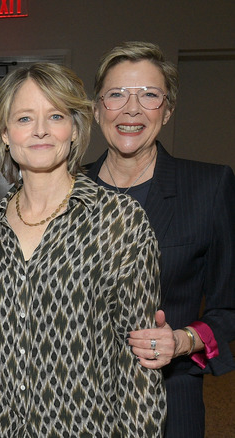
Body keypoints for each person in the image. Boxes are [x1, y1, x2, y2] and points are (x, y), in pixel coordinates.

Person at [0, 63, 166, 436]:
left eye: (55, 115)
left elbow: (140, 364)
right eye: (24, 118)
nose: (40, 130)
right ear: (4, 134)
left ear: (74, 129)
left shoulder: (120, 221)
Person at [85, 41, 235, 438]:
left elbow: (230, 306)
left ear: (167, 111)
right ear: (98, 108)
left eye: (149, 95)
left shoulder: (209, 186)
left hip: (169, 398)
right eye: (116, 94)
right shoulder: (65, 191)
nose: (131, 109)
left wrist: (185, 340)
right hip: (72, 402)